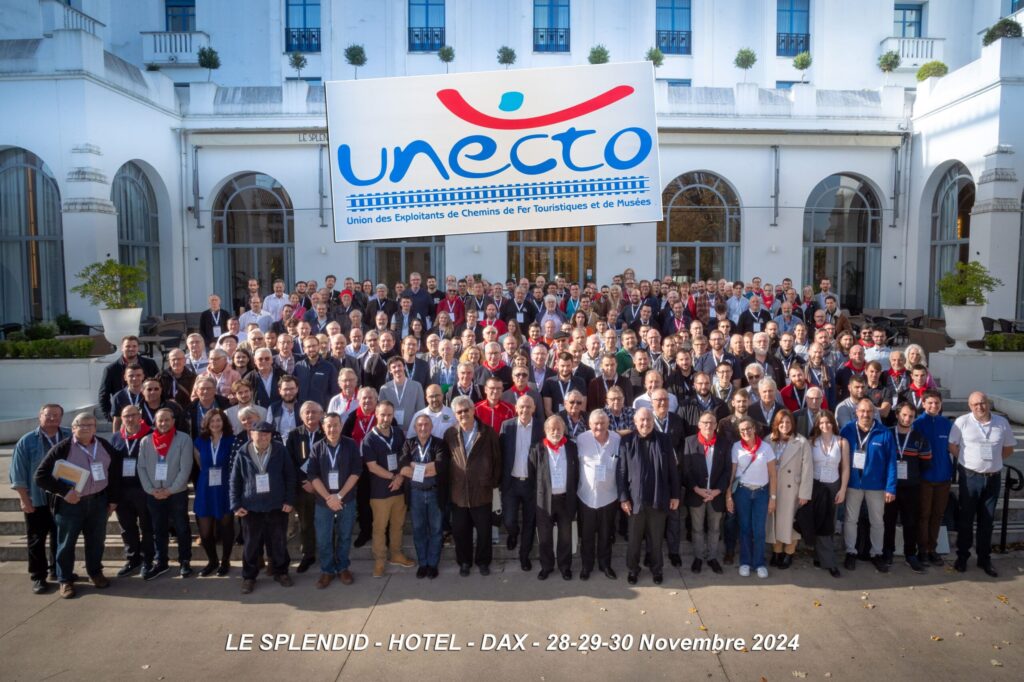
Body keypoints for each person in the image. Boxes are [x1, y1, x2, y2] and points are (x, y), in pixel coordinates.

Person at [34, 413, 122, 599]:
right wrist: (65, 492)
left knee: (96, 541)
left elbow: (114, 474)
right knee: (66, 543)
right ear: (73, 428)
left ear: (95, 428)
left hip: (98, 502)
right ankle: (65, 580)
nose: (87, 428)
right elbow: (41, 476)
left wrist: (113, 499)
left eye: (91, 425)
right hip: (70, 505)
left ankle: (95, 573)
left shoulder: (104, 446)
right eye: (82, 425)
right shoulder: (63, 448)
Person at [949, 391, 1017, 577]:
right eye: (975, 404)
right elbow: (952, 446)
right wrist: (968, 462)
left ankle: (984, 559)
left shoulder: (1001, 423)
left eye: (983, 403)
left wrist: (992, 463)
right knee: (966, 519)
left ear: (988, 403)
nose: (980, 407)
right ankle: (962, 557)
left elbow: (1009, 448)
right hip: (970, 477)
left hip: (993, 478)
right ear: (970, 406)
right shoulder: (962, 422)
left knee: (987, 520)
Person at [230, 421, 297, 594]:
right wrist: (235, 504)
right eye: (259, 434)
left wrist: (289, 500)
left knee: (278, 541)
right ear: (251, 434)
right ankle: (249, 577)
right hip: (251, 507)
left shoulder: (280, 451)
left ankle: (281, 572)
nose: (263, 437)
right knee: (251, 544)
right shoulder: (242, 452)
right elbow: (234, 480)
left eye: (267, 434)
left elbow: (290, 476)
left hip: (276, 506)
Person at [9, 404, 69, 593]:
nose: (53, 419)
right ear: (39, 416)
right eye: (48, 415)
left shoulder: (69, 436)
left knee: (59, 538)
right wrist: (24, 499)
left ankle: (57, 571)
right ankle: (38, 576)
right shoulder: (26, 441)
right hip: (37, 499)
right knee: (36, 539)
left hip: (63, 498)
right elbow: (18, 473)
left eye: (57, 415)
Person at [617, 407, 681, 585]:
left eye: (648, 420)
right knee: (634, 539)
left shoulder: (664, 440)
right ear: (635, 423)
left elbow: (672, 471)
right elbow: (621, 471)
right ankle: (633, 569)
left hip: (658, 498)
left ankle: (657, 569)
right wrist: (623, 498)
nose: (645, 423)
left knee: (656, 538)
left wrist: (675, 495)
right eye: (642, 420)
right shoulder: (627, 441)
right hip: (635, 500)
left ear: (653, 422)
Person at [444, 396, 502, 576]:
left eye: (466, 410)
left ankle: (483, 562)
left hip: (482, 490)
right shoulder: (450, 434)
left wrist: (493, 482)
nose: (463, 414)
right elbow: (446, 462)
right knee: (461, 531)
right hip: (459, 491)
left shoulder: (488, 432)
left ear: (473, 410)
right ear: (455, 414)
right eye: (459, 412)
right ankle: (464, 562)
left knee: (484, 531)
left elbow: (497, 459)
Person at [840, 398, 897, 573]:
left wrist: (890, 487)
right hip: (853, 483)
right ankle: (851, 551)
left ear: (874, 413)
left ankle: (876, 553)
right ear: (856, 412)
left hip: (876, 485)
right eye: (862, 411)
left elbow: (891, 462)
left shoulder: (884, 432)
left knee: (877, 521)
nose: (865, 414)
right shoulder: (847, 430)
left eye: (869, 411)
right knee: (850, 520)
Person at [307, 411, 362, 587]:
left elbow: (356, 472)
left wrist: (339, 496)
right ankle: (327, 570)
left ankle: (343, 568)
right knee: (324, 537)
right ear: (323, 427)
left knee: (345, 535)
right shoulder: (317, 447)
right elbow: (313, 475)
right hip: (323, 501)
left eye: (336, 425)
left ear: (341, 426)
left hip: (347, 498)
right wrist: (329, 498)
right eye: (329, 425)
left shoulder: (351, 445)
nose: (332, 428)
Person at [138, 408, 194, 580]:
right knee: (158, 529)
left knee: (182, 527)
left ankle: (184, 560)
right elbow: (141, 467)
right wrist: (151, 490)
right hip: (154, 493)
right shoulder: (146, 441)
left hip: (176, 493)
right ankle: (161, 561)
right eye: (160, 420)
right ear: (155, 422)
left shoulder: (183, 439)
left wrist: (170, 490)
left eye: (167, 420)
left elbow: (185, 469)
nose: (163, 423)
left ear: (173, 421)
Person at [361, 400, 416, 577]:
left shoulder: (398, 433)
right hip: (380, 492)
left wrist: (400, 477)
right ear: (376, 414)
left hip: (399, 489)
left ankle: (397, 554)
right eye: (383, 414)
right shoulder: (369, 439)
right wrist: (394, 477)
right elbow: (372, 466)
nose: (386, 418)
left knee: (398, 525)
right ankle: (379, 561)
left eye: (389, 415)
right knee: (379, 527)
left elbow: (405, 457)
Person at [725, 416, 777, 578]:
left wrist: (773, 497)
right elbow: (732, 473)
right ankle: (745, 562)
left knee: (759, 529)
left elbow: (773, 475)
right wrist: (728, 496)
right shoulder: (736, 447)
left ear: (754, 429)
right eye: (742, 430)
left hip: (761, 493)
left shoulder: (766, 448)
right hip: (742, 492)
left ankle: (759, 563)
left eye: (748, 428)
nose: (746, 432)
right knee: (745, 528)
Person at [399, 414, 450, 579]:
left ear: (431, 427)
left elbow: (440, 467)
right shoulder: (409, 443)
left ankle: (433, 564)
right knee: (418, 530)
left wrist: (414, 466)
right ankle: (423, 564)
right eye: (420, 425)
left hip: (435, 493)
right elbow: (403, 468)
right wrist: (426, 468)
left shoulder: (439, 443)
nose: (423, 428)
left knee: (436, 530)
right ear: (415, 427)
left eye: (426, 425)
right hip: (416, 495)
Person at [883, 402, 931, 572]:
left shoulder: (919, 437)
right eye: (904, 415)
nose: (907, 418)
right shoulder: (887, 434)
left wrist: (913, 475)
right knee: (888, 521)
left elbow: (926, 462)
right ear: (897, 415)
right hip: (890, 486)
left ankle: (910, 554)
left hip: (911, 487)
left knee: (910, 522)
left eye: (911, 416)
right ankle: (887, 551)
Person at [531, 416, 579, 580]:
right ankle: (547, 566)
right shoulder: (537, 448)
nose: (555, 432)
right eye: (552, 428)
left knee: (565, 537)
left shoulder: (572, 447)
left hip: (566, 499)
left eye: (559, 428)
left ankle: (565, 567)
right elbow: (532, 474)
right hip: (544, 501)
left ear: (564, 429)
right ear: (545, 431)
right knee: (544, 538)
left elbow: (577, 473)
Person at [681, 411, 729, 575]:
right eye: (705, 422)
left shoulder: (724, 443)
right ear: (699, 425)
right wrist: (696, 489)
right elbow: (686, 470)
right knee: (697, 529)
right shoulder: (689, 442)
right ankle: (698, 558)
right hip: (696, 494)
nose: (708, 425)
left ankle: (712, 557)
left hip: (716, 495)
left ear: (716, 425)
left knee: (715, 529)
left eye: (712, 423)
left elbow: (727, 471)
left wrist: (717, 491)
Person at [109, 405, 153, 579]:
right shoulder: (115, 438)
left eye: (133, 415)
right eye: (126, 416)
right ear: (122, 418)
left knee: (147, 526)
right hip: (122, 490)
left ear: (140, 416)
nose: (130, 419)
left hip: (144, 489)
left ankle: (148, 559)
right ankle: (132, 558)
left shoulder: (150, 435)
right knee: (127, 527)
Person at [499, 394, 543, 571]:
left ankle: (524, 555)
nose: (525, 410)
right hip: (511, 482)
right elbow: (501, 453)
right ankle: (512, 533)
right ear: (516, 408)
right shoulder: (507, 426)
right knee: (509, 520)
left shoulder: (541, 428)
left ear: (534, 409)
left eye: (528, 407)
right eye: (522, 407)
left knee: (529, 522)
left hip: (532, 484)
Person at [576, 410, 621, 580]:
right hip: (586, 497)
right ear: (589, 424)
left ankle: (605, 565)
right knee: (587, 536)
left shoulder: (616, 439)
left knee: (605, 534)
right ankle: (586, 566)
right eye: (596, 423)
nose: (599, 427)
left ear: (608, 423)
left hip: (609, 497)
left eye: (603, 423)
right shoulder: (581, 439)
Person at [766, 410, 813, 570]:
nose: (784, 426)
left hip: (793, 490)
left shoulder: (801, 442)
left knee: (791, 522)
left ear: (792, 424)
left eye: (788, 422)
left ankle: (789, 553)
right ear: (776, 425)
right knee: (775, 522)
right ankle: (776, 551)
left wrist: (805, 493)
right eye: (781, 423)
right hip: (773, 488)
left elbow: (808, 469)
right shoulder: (769, 440)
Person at [192, 409, 235, 577]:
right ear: (207, 424)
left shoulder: (232, 441)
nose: (215, 424)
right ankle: (212, 561)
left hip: (225, 487)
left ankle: (225, 561)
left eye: (218, 420)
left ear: (223, 422)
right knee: (205, 531)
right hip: (206, 488)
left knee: (226, 527)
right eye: (212, 422)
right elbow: (200, 464)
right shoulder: (199, 442)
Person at [914, 390, 954, 566]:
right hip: (924, 478)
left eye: (937, 403)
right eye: (930, 403)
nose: (933, 406)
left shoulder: (947, 424)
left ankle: (932, 548)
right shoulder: (917, 424)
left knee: (937, 515)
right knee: (923, 514)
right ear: (923, 404)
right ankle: (922, 549)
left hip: (943, 477)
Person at [807, 410, 849, 578]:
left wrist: (843, 489)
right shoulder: (811, 442)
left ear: (833, 423)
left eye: (828, 422)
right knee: (818, 521)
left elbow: (845, 467)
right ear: (817, 424)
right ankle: (823, 558)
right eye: (821, 422)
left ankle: (828, 560)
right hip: (816, 486)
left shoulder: (842, 442)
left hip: (833, 485)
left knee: (829, 524)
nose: (825, 425)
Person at [285, 400, 325, 573]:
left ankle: (327, 553)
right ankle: (308, 555)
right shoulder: (294, 435)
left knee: (326, 521)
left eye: (314, 412)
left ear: (321, 414)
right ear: (301, 416)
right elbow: (290, 462)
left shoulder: (327, 432)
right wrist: (305, 482)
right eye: (307, 412)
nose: (310, 415)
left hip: (324, 487)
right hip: (303, 488)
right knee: (306, 523)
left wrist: (317, 483)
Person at [99, 336, 159, 422]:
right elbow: (103, 394)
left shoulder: (150, 364)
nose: (131, 349)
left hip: (147, 415)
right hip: (125, 417)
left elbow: (158, 385)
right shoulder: (111, 369)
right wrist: (109, 416)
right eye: (128, 346)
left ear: (138, 348)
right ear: (122, 348)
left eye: (134, 346)